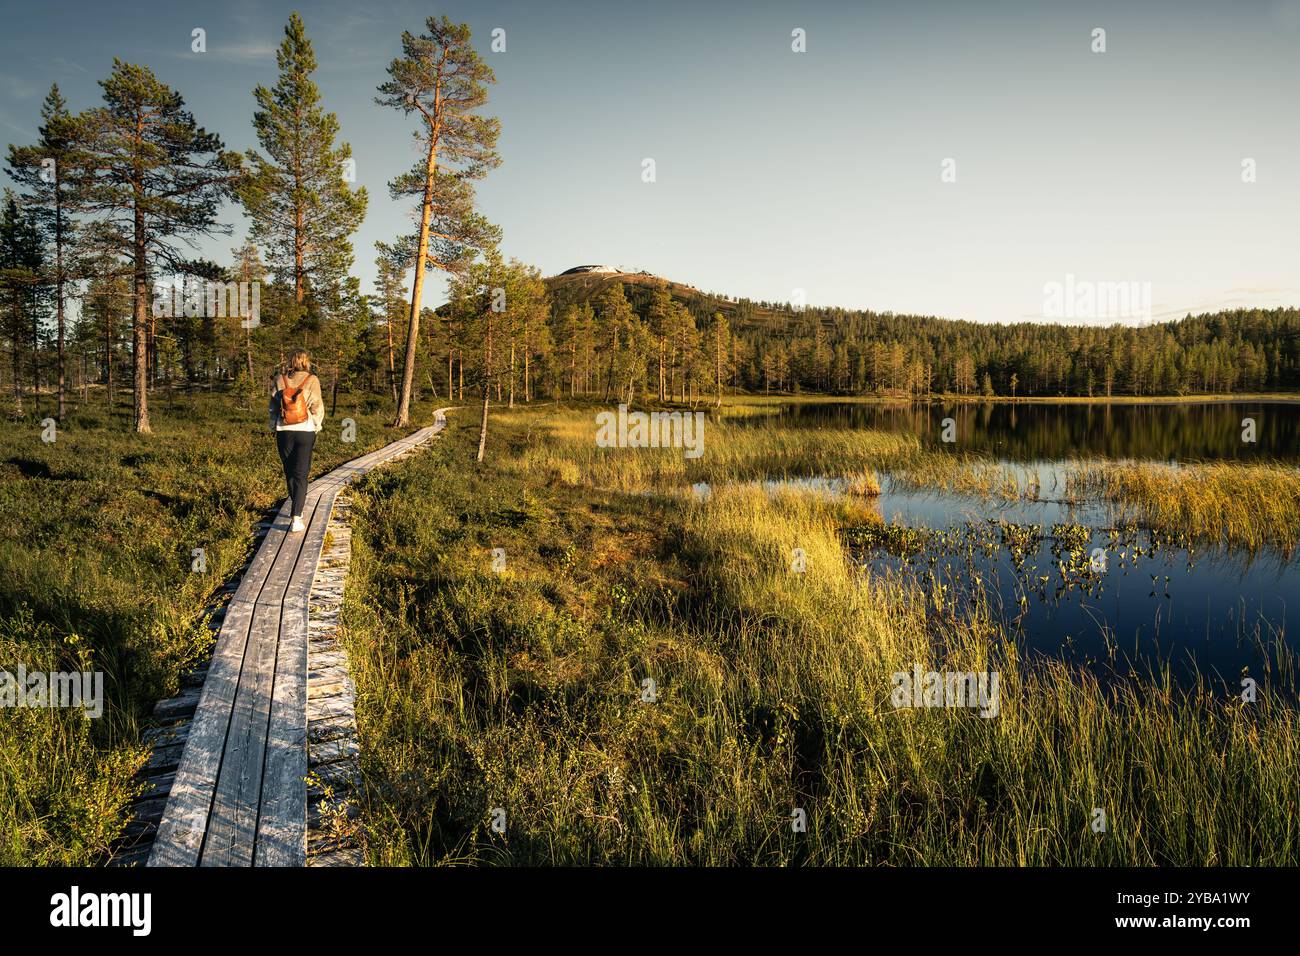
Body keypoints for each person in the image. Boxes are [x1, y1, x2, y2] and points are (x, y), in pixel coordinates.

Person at [268, 348, 325, 532]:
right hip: (305, 431)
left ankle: (296, 508)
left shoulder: (279, 379)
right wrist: (316, 425)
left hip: (283, 431)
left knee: (290, 471)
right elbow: (317, 405)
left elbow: (273, 407)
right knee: (301, 473)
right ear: (306, 361)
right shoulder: (312, 380)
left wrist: (272, 427)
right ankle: (296, 518)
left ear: (290, 361)